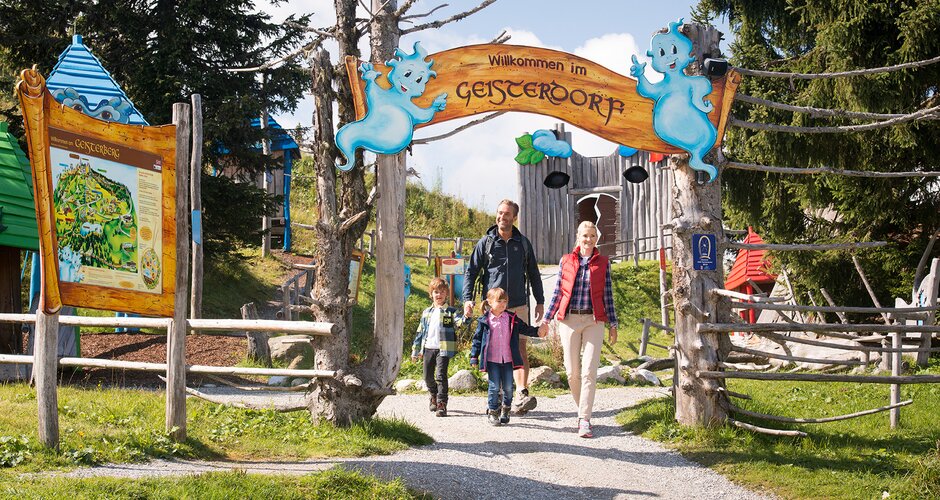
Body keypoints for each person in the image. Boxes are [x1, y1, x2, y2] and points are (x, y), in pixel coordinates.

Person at [462, 199, 544, 415]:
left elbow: (534, 274)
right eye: (499, 213)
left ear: (514, 217)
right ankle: (496, 395)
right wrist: (467, 298)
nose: (502, 217)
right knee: (494, 348)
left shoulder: (523, 243)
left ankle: (521, 393)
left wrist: (540, 301)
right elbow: (471, 271)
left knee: (519, 348)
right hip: (493, 306)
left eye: (507, 214)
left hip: (517, 304)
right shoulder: (486, 242)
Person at [543, 221, 619, 438]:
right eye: (585, 235)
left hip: (594, 321)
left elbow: (608, 296)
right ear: (578, 237)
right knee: (572, 372)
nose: (589, 239)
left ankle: (584, 419)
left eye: (593, 236)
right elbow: (558, 292)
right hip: (568, 320)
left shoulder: (603, 262)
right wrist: (547, 320)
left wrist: (613, 324)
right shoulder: (566, 261)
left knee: (589, 372)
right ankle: (582, 410)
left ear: (597, 239)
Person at [469, 287, 547, 425]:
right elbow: (477, 339)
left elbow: (525, 329)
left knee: (508, 388)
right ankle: (493, 412)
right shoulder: (484, 320)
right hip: (492, 360)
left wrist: (537, 332)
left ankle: (506, 409)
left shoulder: (512, 318)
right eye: (499, 301)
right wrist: (474, 356)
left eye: (505, 301)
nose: (503, 304)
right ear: (490, 302)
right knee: (493, 387)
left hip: (508, 360)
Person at [411, 277, 466, 417]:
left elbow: (460, 322)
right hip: (428, 347)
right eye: (436, 292)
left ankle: (442, 403)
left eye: (442, 292)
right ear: (431, 294)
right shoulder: (426, 312)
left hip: (444, 348)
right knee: (427, 376)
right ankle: (433, 394)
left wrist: (467, 315)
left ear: (446, 294)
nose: (439, 295)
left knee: (440, 375)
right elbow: (420, 332)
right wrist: (415, 350)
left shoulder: (451, 312)